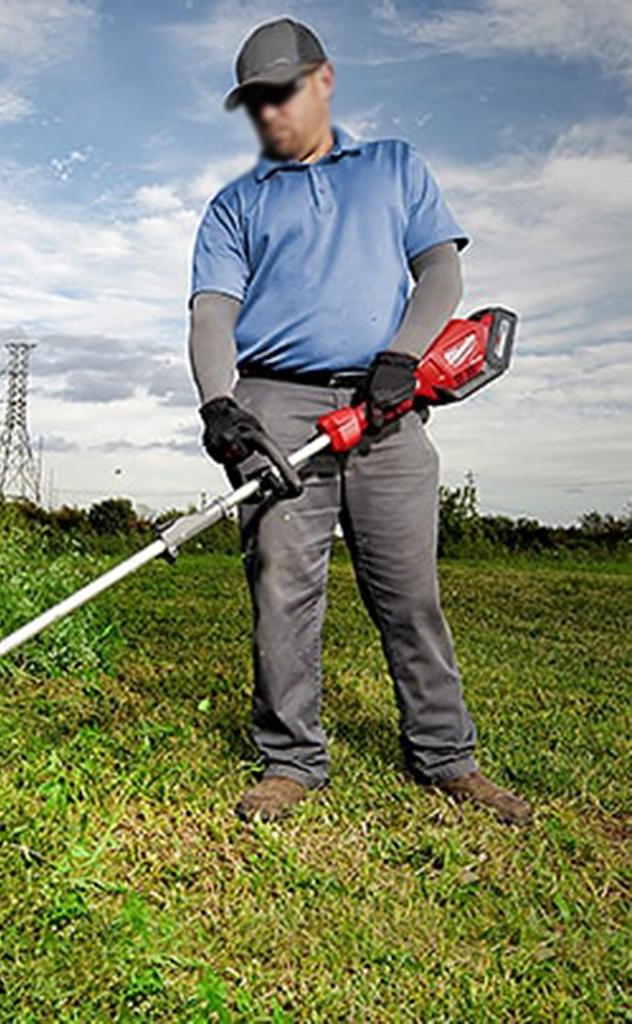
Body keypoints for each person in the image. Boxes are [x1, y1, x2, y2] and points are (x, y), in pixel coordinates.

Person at [187, 17, 531, 826]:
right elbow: (211, 312)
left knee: (410, 591)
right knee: (281, 587)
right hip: (275, 404)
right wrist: (218, 402)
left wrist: (403, 357)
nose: (270, 112)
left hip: (389, 400)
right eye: (255, 101)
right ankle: (291, 759)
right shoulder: (236, 204)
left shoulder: (393, 167)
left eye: (283, 92)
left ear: (324, 80)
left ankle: (446, 756)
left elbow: (440, 271)